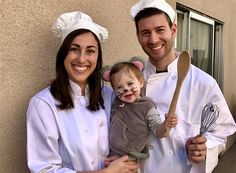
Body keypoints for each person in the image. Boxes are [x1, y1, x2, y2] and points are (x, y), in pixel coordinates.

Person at [129, 0, 236, 173]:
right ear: (138, 36)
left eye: (160, 30)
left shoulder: (203, 83)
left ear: (173, 30)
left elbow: (221, 132)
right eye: (145, 33)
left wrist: (205, 148)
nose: (153, 39)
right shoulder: (133, 82)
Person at [26, 11, 138, 173]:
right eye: (74, 49)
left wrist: (122, 159)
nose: (82, 59)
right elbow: (44, 169)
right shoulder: (43, 104)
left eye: (90, 51)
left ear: (98, 57)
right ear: (63, 54)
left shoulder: (110, 95)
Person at [101, 57, 177, 163]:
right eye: (119, 87)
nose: (126, 89)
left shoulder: (146, 106)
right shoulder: (116, 102)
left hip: (130, 158)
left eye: (130, 84)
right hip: (111, 155)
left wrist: (166, 124)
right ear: (114, 90)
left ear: (141, 82)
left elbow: (158, 131)